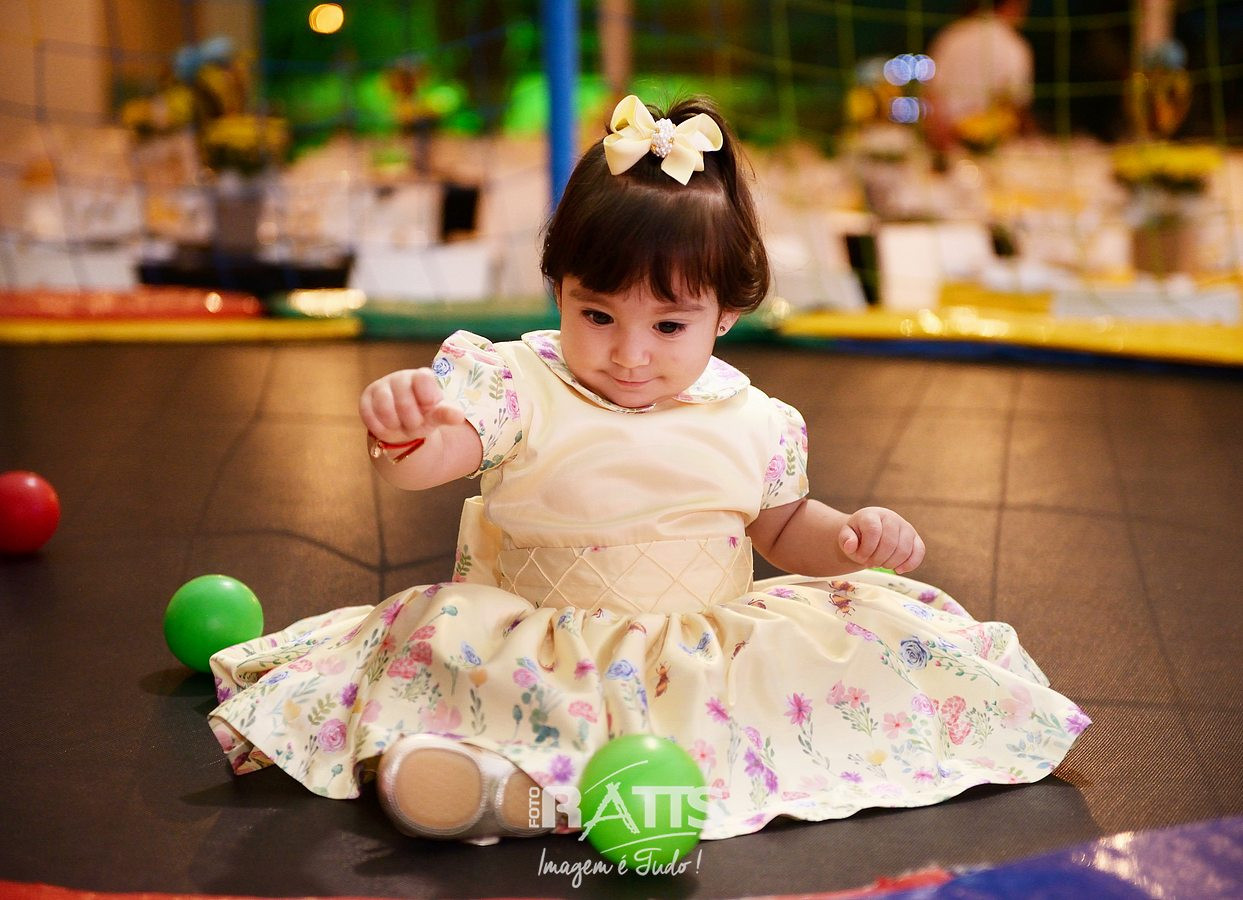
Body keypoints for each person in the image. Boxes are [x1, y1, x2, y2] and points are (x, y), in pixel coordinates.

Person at [208, 94, 1088, 845]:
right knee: (483, 686)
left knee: (822, 678)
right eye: (597, 315)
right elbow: (438, 458)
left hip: (701, 656)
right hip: (543, 647)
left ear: (726, 314)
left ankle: (523, 796)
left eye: (668, 326)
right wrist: (406, 435)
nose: (629, 354)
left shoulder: (754, 419)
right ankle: (501, 786)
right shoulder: (516, 383)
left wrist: (850, 538)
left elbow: (784, 528)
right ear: (559, 289)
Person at [924, 0, 1035, 154]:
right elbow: (1017, 103)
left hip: (946, 140)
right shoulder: (1013, 45)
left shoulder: (952, 35)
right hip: (989, 144)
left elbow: (931, 93)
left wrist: (940, 136)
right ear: (1012, 5)